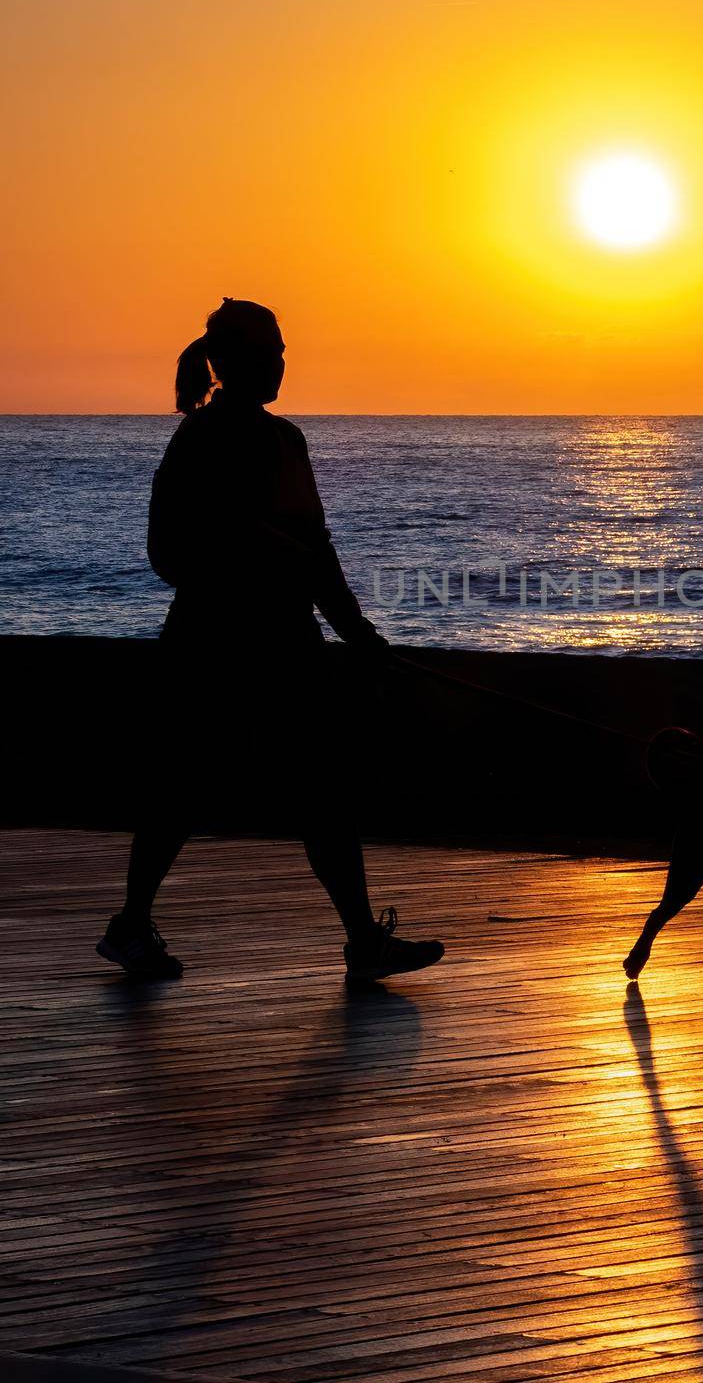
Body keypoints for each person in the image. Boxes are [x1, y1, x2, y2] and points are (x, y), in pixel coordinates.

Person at [97, 298, 444, 983]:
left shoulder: (287, 440)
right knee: (184, 792)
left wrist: (360, 635)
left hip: (287, 645)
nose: (283, 363)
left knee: (321, 794)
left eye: (285, 352)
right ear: (237, 363)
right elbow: (172, 554)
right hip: (213, 647)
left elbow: (316, 550)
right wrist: (266, 557)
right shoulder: (201, 440)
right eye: (272, 353)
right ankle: (132, 924)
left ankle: (360, 940)